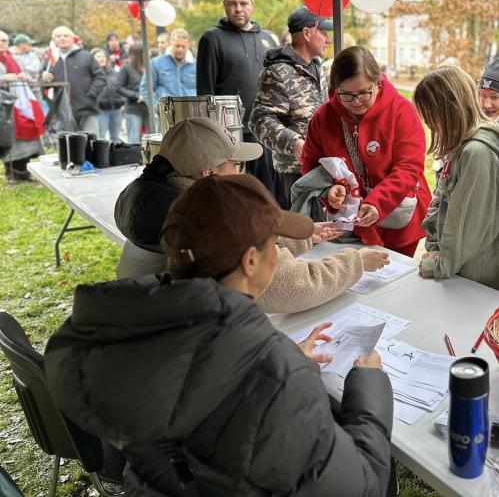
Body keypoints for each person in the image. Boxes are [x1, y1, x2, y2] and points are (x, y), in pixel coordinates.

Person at [45, 173, 394, 496]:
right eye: (274, 244)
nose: (279, 253)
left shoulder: (118, 334)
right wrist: (368, 385)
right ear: (250, 262)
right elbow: (360, 486)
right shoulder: (276, 378)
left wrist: (279, 359)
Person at [114, 116, 389, 311]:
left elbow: (241, 245)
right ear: (209, 173)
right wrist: (356, 263)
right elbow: (291, 288)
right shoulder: (212, 213)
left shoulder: (148, 194)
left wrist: (302, 239)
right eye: (235, 164)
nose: (240, 170)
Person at [300, 45, 432, 258]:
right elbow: (311, 165)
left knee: (394, 278)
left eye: (364, 93)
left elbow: (409, 167)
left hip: (397, 218)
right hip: (348, 222)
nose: (356, 102)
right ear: (335, 89)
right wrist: (328, 192)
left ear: (378, 82)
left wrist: (377, 203)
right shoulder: (323, 117)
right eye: (346, 95)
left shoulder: (401, 111)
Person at [413, 66, 499, 291]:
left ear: (449, 110)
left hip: (474, 279)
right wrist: (436, 248)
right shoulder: (462, 147)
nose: (430, 125)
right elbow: (441, 201)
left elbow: (467, 224)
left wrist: (439, 263)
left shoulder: (476, 153)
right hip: (459, 271)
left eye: (432, 116)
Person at [196, 0, 279, 192]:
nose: (238, 9)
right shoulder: (212, 39)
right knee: (235, 192)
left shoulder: (268, 39)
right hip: (230, 133)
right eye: (232, 3)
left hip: (265, 129)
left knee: (266, 190)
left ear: (252, 3)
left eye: (243, 3)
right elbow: (205, 92)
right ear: (224, 5)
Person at [250, 6, 330, 208]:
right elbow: (259, 120)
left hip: (319, 169)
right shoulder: (279, 72)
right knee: (296, 236)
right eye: (323, 32)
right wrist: (293, 142)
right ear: (307, 33)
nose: (328, 39)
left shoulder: (316, 67)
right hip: (292, 175)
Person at [41, 25, 106, 134]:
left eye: (66, 35)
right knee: (69, 147)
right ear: (54, 40)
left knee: (90, 145)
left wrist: (91, 95)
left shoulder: (86, 56)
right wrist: (45, 81)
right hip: (63, 113)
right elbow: (46, 88)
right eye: (58, 36)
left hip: (87, 110)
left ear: (72, 39)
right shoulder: (50, 61)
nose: (62, 38)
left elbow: (100, 77)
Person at [0, 30, 44, 182]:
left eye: (4, 41)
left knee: (25, 137)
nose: (2, 44)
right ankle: (12, 174)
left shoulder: (10, 58)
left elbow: (28, 77)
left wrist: (24, 76)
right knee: (8, 140)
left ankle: (23, 172)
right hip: (3, 109)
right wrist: (3, 78)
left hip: (18, 106)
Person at [139, 28, 196, 107]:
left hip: (190, 113)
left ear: (188, 45)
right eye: (177, 46)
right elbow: (145, 88)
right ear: (170, 43)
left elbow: (203, 89)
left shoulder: (196, 65)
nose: (180, 49)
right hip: (166, 114)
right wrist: (157, 107)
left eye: (183, 47)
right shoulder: (156, 63)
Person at [116, 44, 148, 144]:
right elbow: (118, 87)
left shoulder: (148, 66)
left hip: (148, 108)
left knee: (153, 137)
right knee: (134, 140)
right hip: (133, 108)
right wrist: (136, 95)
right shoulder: (126, 68)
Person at [92, 48, 124, 143]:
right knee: (101, 137)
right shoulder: (91, 74)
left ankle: (114, 157)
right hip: (100, 110)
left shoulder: (115, 73)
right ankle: (102, 157)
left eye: (103, 56)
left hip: (116, 110)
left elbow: (122, 88)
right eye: (98, 56)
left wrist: (122, 101)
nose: (102, 58)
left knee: (115, 138)